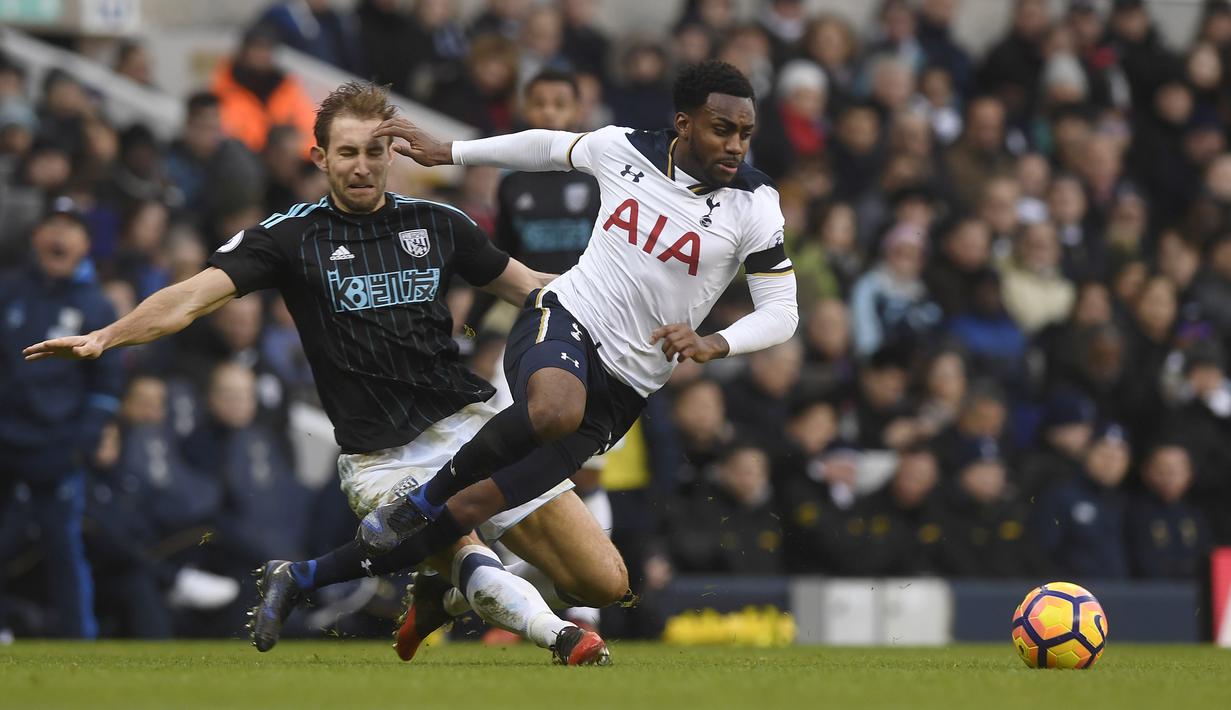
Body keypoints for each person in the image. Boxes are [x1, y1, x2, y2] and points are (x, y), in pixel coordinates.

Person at [24, 82, 621, 666]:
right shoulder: (289, 237)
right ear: (320, 158)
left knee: (603, 582)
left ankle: (442, 594)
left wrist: (630, 308)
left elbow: (534, 288)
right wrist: (106, 335)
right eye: (347, 153)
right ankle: (563, 639)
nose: (361, 167)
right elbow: (191, 298)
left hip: (472, 426)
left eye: (373, 152)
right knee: (468, 554)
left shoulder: (439, 223)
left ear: (393, 154)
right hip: (383, 456)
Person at [348, 60, 797, 597]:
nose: (735, 146)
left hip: (629, 380)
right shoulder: (623, 149)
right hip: (567, 315)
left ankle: (428, 594)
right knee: (554, 410)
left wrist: (715, 343)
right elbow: (546, 147)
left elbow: (782, 312)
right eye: (722, 129)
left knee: (507, 509)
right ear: (684, 124)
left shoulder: (756, 205)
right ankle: (414, 502)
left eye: (745, 134)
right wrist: (451, 151)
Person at [1, 203, 122, 639]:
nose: (59, 236)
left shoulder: (95, 305)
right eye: (53, 226)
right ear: (37, 237)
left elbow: (107, 384)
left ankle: (80, 639)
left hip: (55, 447)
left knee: (63, 548)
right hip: (5, 441)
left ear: (85, 245)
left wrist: (79, 445)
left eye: (71, 230)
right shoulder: (9, 290)